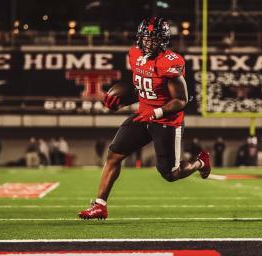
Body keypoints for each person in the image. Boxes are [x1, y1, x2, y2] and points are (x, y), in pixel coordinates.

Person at [78, 17, 211, 220]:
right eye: (146, 38)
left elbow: (181, 100)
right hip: (143, 115)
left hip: (166, 121)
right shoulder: (135, 54)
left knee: (170, 174)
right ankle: (100, 206)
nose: (149, 42)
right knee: (114, 155)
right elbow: (141, 87)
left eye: (154, 38)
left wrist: (156, 113)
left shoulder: (170, 62)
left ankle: (200, 163)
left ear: (164, 40)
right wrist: (120, 101)